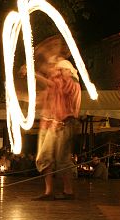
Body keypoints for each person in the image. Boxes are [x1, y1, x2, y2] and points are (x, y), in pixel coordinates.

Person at [32, 58, 81, 200]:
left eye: (62, 70)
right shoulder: (56, 83)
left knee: (62, 159)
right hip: (49, 123)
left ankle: (68, 191)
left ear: (70, 71)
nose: (59, 72)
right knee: (44, 157)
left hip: (65, 123)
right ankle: (49, 191)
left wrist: (33, 73)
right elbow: (45, 96)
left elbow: (56, 86)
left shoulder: (72, 84)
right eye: (58, 70)